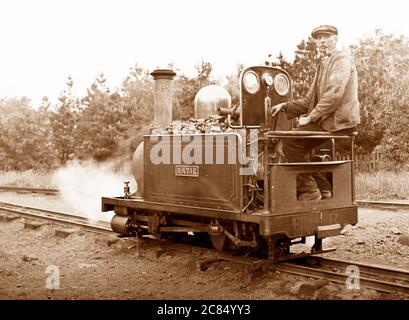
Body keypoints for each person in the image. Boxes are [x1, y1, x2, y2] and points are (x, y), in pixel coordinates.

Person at [271, 25, 360, 201]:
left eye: (326, 37)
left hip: (339, 122)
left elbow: (334, 93)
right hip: (328, 122)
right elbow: (309, 101)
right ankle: (324, 188)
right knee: (297, 145)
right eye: (318, 38)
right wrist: (285, 106)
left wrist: (310, 118)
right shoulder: (323, 64)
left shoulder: (341, 60)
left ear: (335, 38)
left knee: (290, 142)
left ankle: (310, 190)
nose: (321, 42)